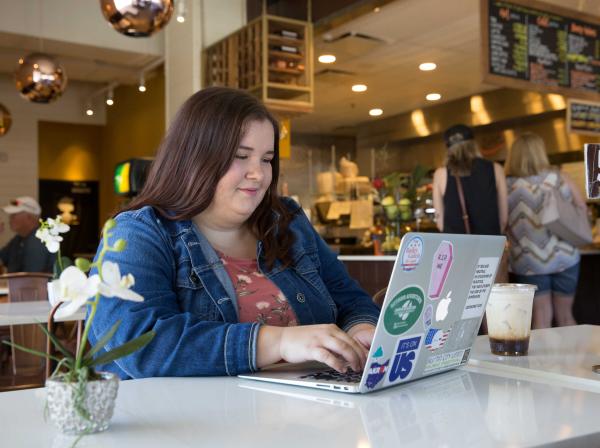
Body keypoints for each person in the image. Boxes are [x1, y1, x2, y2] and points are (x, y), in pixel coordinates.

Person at [89, 87, 379, 379]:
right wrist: (278, 341)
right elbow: (140, 344)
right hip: (192, 419)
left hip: (305, 410)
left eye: (266, 159)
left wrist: (362, 329)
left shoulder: (286, 219)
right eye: (241, 156)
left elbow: (350, 299)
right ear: (194, 158)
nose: (259, 174)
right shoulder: (140, 232)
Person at [505, 132, 585, 329]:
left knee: (541, 318)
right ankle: (575, 360)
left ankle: (546, 361)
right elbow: (582, 207)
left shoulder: (507, 185)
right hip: (565, 256)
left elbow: (501, 222)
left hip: (529, 260)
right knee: (566, 317)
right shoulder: (559, 178)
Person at [432, 124, 508, 235]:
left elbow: (440, 222)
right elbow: (503, 218)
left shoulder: (440, 174)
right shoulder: (496, 169)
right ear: (473, 144)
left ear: (448, 149)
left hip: (457, 247)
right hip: (489, 245)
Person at [0, 196, 54, 273]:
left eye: (14, 215)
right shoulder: (19, 238)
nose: (10, 219)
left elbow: (30, 278)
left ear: (29, 217)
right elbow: (2, 258)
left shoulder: (38, 240)